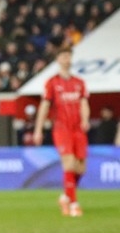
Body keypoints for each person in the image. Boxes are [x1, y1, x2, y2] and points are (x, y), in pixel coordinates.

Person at [33, 46, 90, 217]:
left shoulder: (79, 82)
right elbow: (44, 106)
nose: (67, 59)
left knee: (81, 168)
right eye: (64, 56)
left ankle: (65, 196)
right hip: (61, 128)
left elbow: (84, 103)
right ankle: (74, 204)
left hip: (78, 129)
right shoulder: (52, 83)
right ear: (58, 60)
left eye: (69, 56)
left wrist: (85, 119)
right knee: (69, 163)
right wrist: (38, 129)